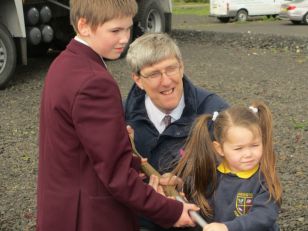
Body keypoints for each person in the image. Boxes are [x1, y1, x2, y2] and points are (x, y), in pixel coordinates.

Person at [36, 1, 199, 231]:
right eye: (115, 30)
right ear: (84, 26)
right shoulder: (94, 81)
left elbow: (81, 144)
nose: (124, 38)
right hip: (89, 217)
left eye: (127, 27)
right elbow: (115, 174)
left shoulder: (64, 63)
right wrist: (171, 211)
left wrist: (123, 145)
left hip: (61, 208)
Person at [124, 33, 228, 231]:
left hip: (200, 220)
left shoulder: (216, 112)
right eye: (154, 74)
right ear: (138, 80)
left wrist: (185, 184)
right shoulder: (120, 118)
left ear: (181, 67)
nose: (166, 81)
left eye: (171, 69)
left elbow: (239, 176)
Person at [174, 100, 282, 231]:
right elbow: (195, 201)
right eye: (238, 148)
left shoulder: (264, 178)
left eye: (254, 145)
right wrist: (177, 186)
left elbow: (264, 216)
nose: (248, 154)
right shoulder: (211, 173)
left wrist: (227, 227)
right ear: (219, 149)